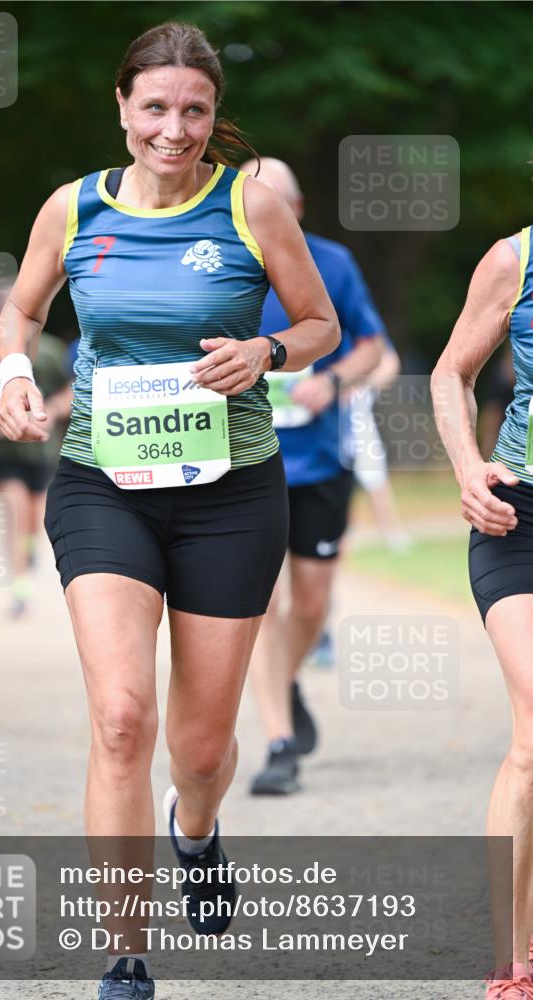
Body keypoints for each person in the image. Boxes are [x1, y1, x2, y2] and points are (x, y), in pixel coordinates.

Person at [0, 23, 340, 999]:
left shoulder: (253, 204)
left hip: (231, 493)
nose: (174, 129)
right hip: (105, 482)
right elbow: (19, 309)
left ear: (213, 115)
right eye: (155, 107)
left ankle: (197, 830)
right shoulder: (72, 208)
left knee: (197, 746)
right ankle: (125, 952)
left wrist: (268, 352)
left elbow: (321, 324)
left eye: (193, 109)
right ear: (122, 107)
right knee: (118, 716)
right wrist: (16, 372)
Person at [240, 158, 383, 796]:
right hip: (244, 460)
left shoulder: (333, 263)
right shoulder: (218, 263)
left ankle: (284, 676)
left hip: (321, 461)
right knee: (262, 606)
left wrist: (331, 379)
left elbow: (372, 347)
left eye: (273, 201)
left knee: (312, 604)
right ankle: (277, 743)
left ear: (295, 211)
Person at [431, 226, 533, 998]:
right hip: (518, 518)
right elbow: (449, 374)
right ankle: (512, 959)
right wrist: (469, 469)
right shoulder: (515, 259)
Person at [0, 280, 71, 616]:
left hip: (43, 452)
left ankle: (29, 553)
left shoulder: (51, 351)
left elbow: (71, 392)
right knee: (15, 510)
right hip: (1, 452)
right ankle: (20, 586)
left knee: (36, 519)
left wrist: (51, 414)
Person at [350, 335, 411, 551]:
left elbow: (390, 364)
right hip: (320, 420)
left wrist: (360, 382)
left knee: (375, 476)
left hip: (357, 418)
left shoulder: (357, 320)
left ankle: (391, 534)